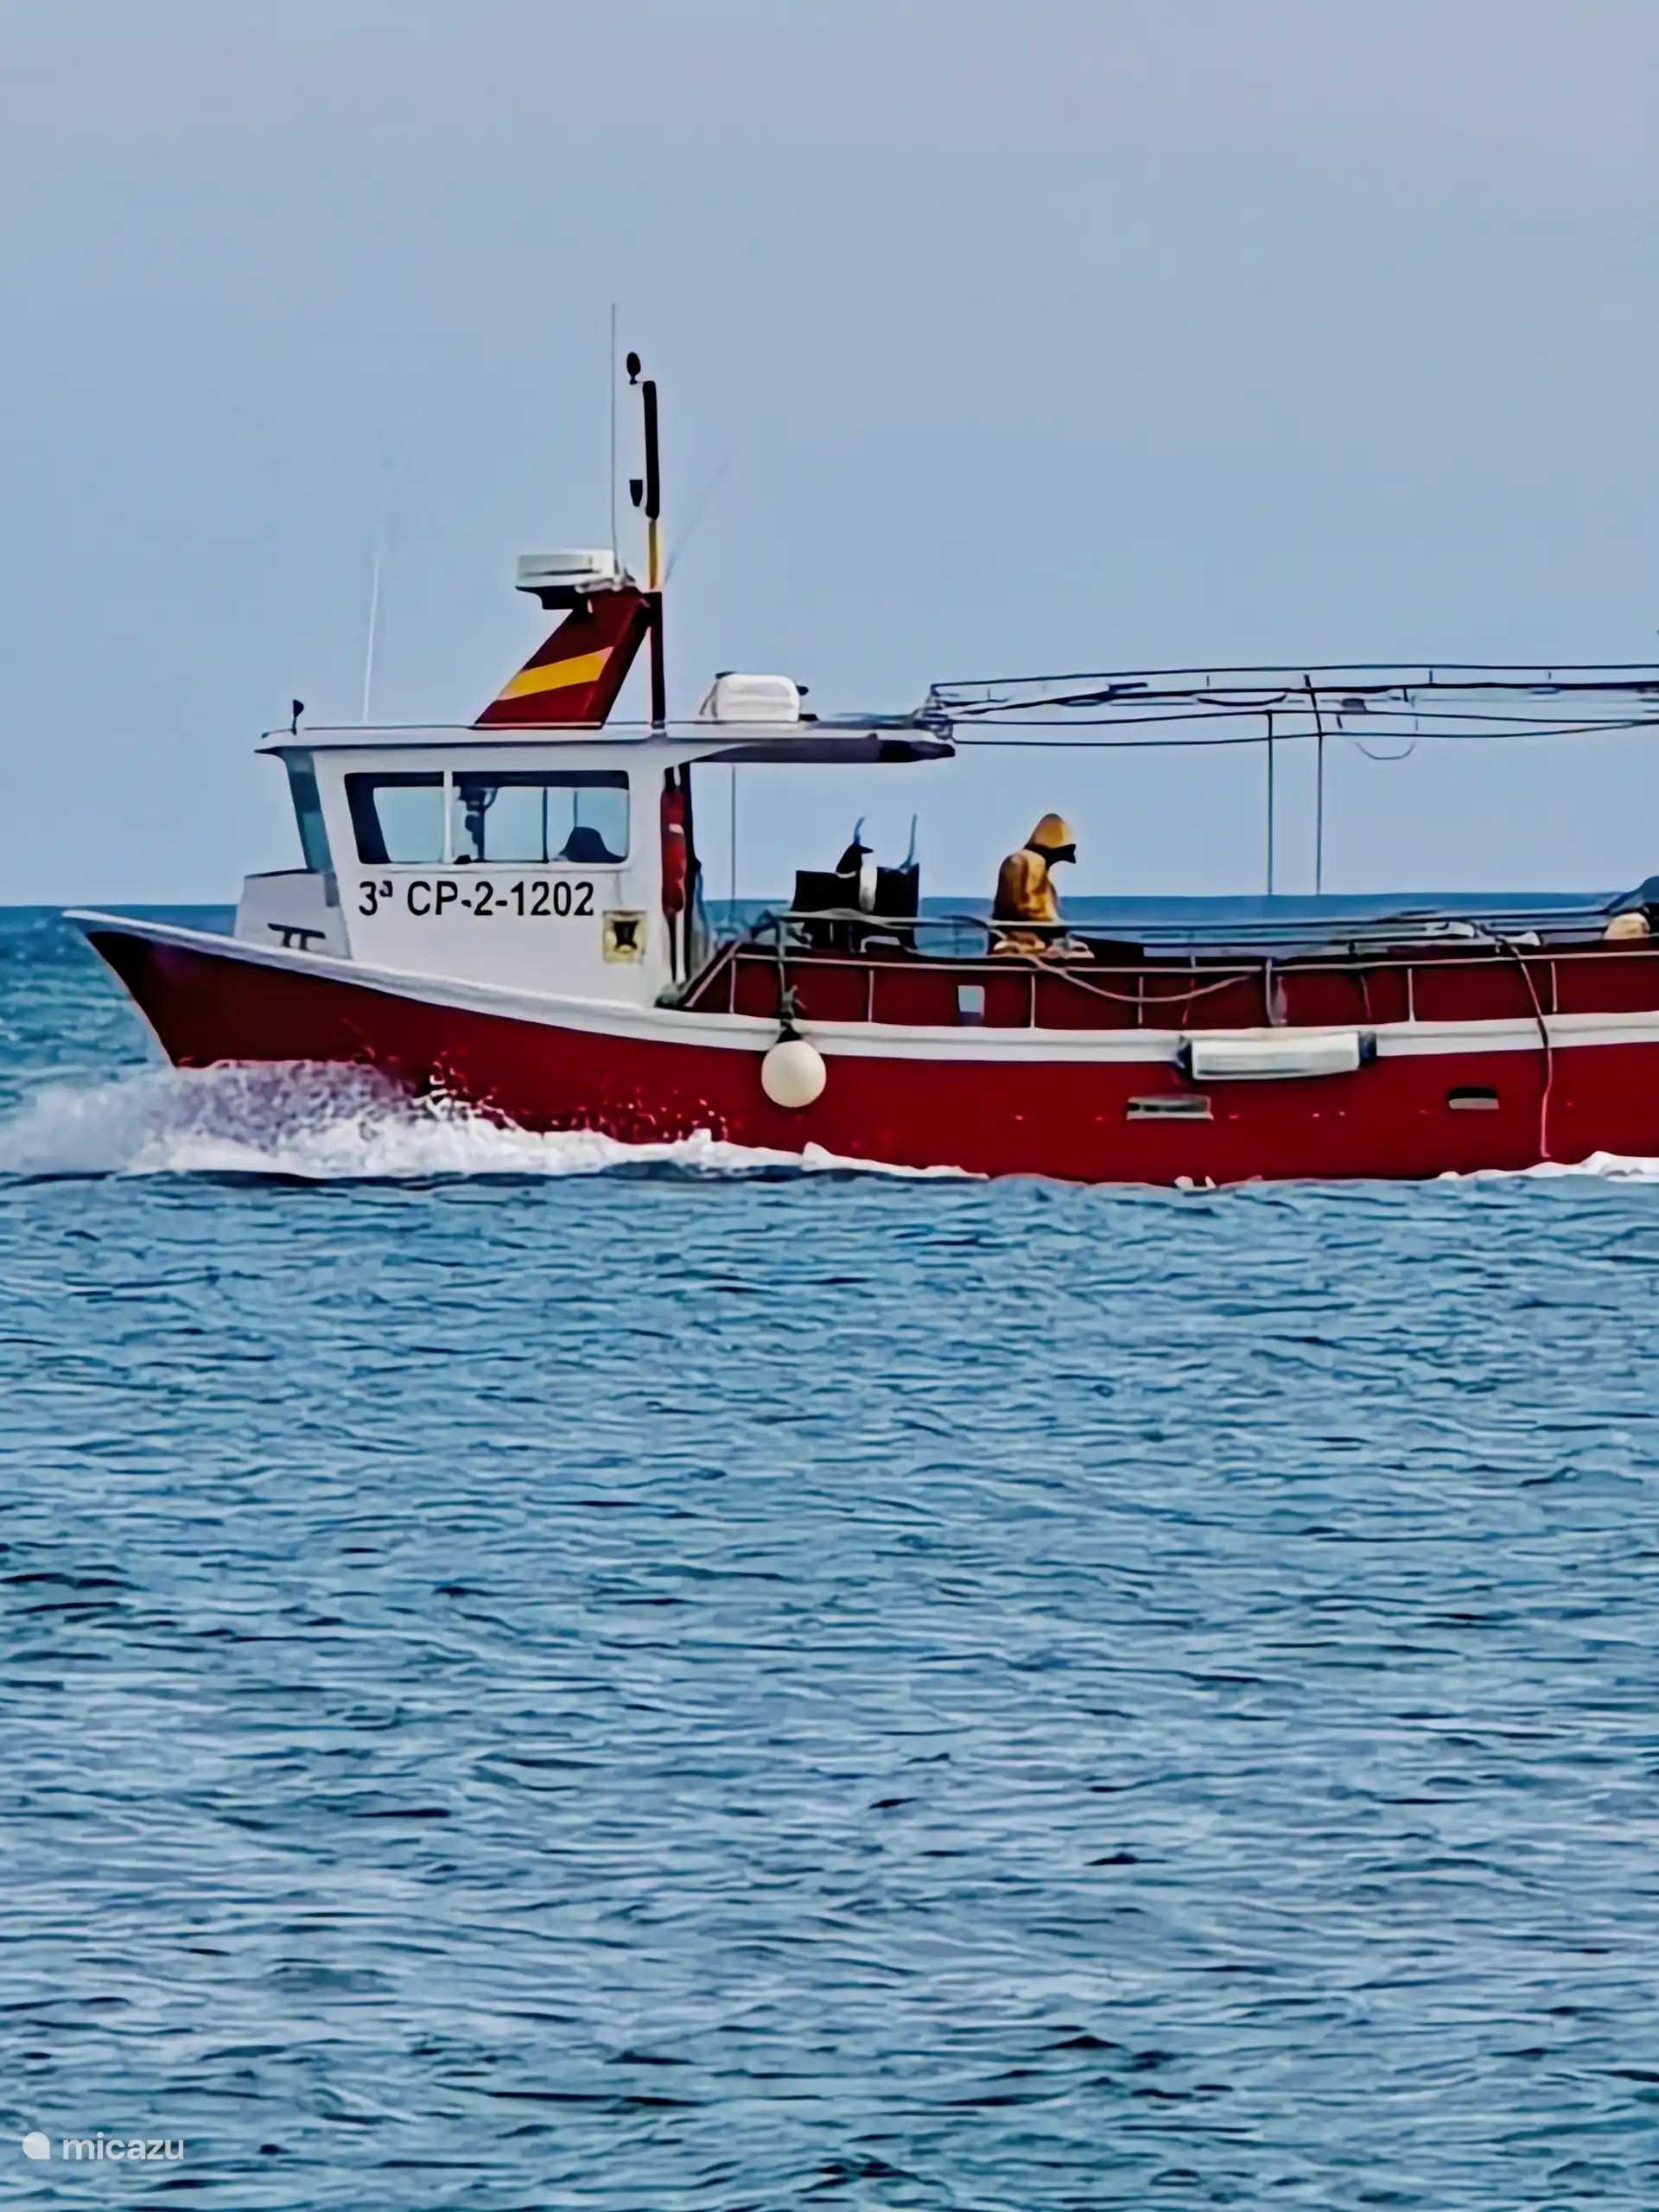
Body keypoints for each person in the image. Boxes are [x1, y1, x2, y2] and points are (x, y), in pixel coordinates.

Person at [993, 813, 1077, 956]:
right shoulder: (1031, 862)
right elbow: (1030, 909)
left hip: (1007, 935)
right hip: (1026, 941)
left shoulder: (1023, 861)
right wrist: (1058, 932)